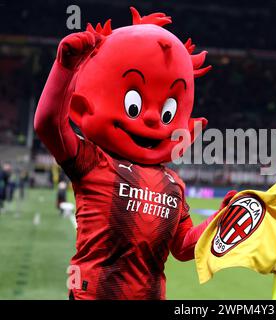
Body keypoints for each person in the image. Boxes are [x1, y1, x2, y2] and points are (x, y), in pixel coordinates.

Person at [34, 7, 235, 300]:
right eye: (136, 105)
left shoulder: (173, 185)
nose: (154, 119)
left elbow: (183, 247)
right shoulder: (93, 162)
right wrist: (65, 67)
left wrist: (221, 218)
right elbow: (49, 124)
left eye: (167, 112)